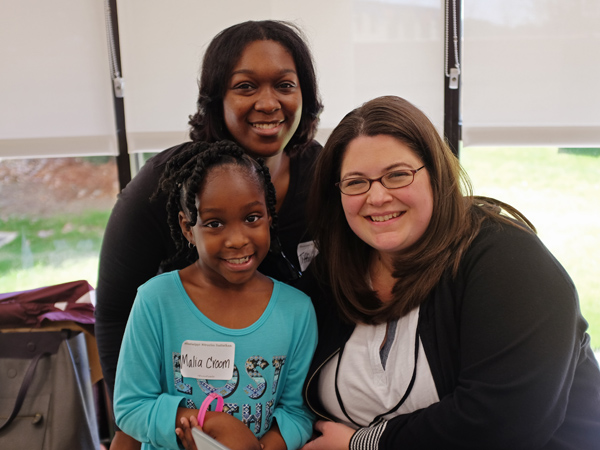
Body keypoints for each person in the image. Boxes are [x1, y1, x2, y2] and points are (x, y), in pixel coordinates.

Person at [299, 95, 600, 449]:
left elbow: (505, 421)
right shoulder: (330, 274)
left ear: (436, 175)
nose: (377, 197)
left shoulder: (506, 258)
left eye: (397, 175)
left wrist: (363, 445)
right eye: (355, 182)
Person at [95, 20, 322, 448]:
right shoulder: (165, 186)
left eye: (285, 85)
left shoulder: (324, 181)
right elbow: (114, 316)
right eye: (246, 86)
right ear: (216, 99)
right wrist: (134, 430)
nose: (268, 103)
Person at [113, 141, 317, 450]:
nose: (237, 240)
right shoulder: (156, 301)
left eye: (252, 218)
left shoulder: (297, 311)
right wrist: (200, 427)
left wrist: (259, 448)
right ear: (187, 229)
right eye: (214, 223)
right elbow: (131, 406)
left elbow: (298, 413)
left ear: (269, 218)